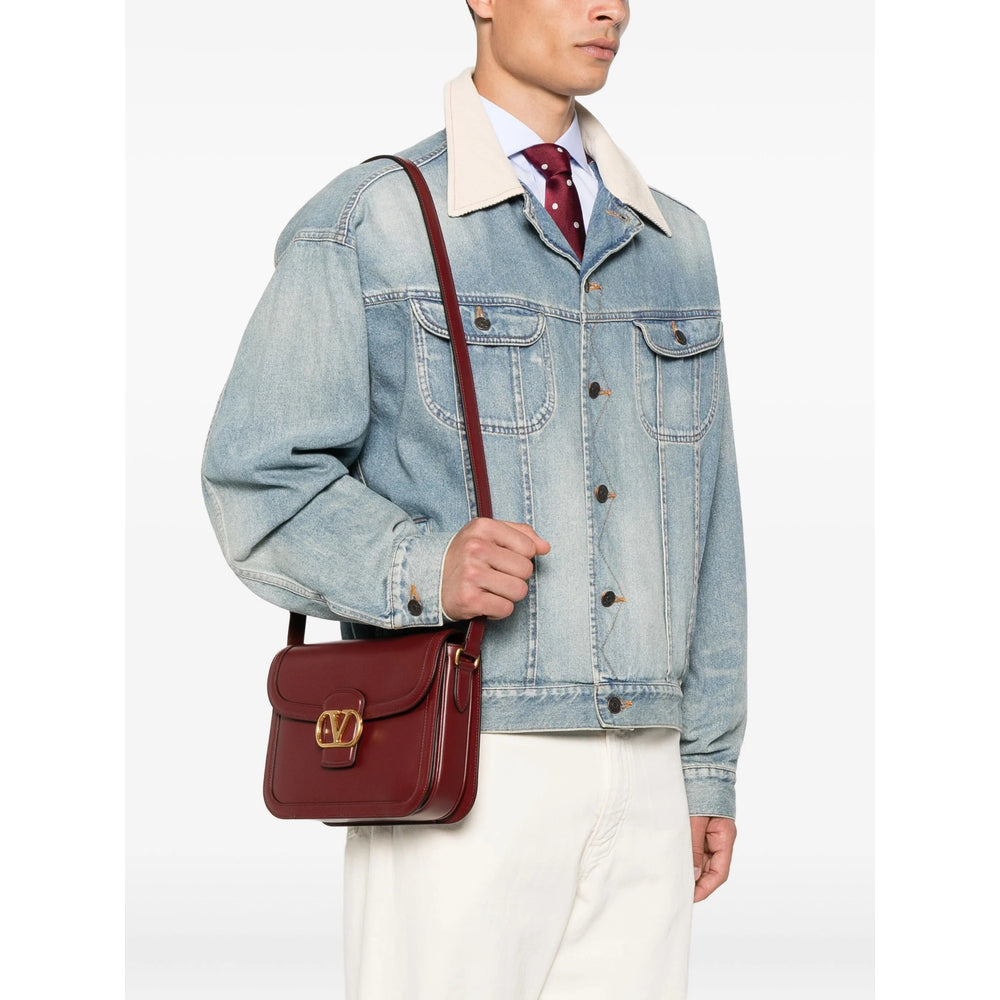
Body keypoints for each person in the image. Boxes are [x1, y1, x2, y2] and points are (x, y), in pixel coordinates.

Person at [202, 0, 747, 996]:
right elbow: (258, 481)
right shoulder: (372, 222)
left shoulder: (677, 242)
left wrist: (706, 762)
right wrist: (423, 564)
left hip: (648, 766)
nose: (611, 9)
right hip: (467, 757)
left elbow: (713, 526)